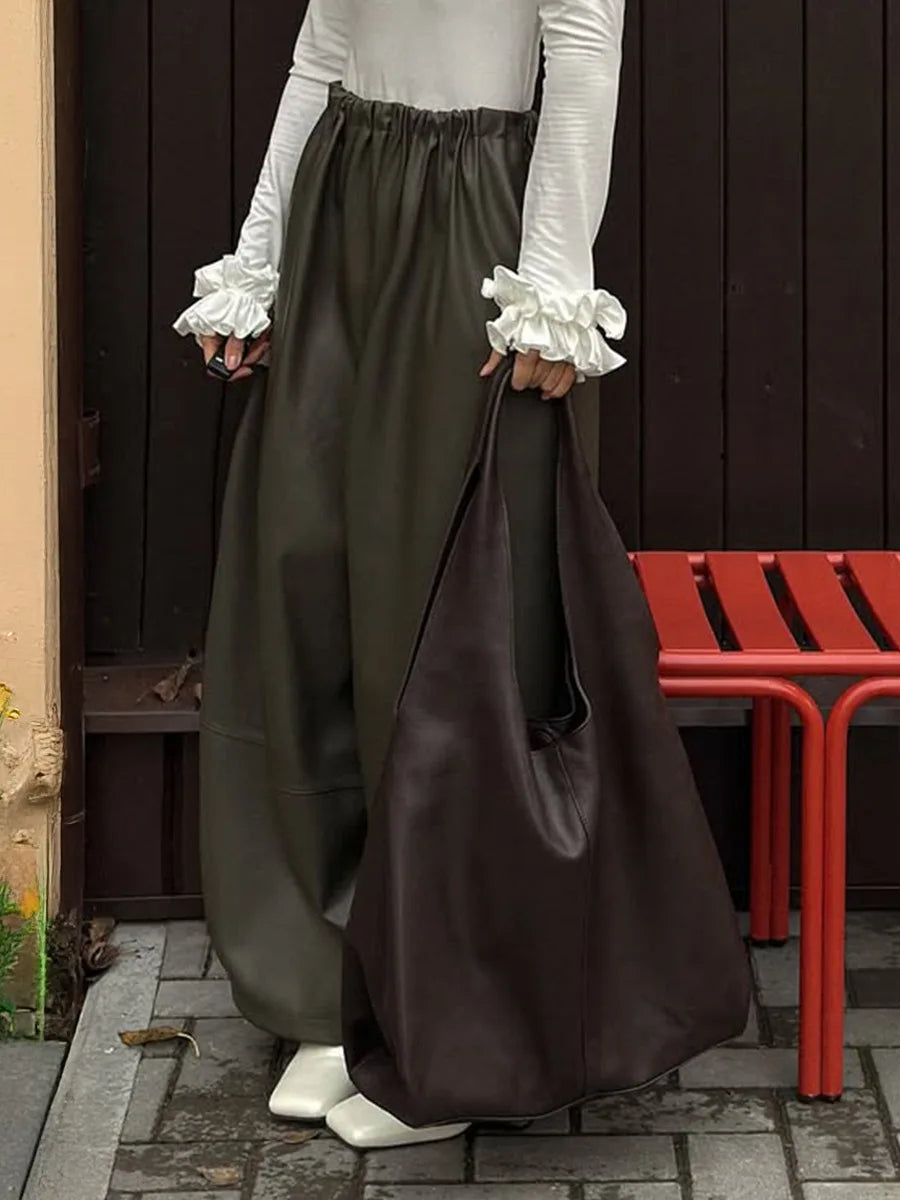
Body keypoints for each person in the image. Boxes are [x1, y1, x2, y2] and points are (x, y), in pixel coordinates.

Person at [171, 0, 627, 1150]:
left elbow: (582, 42)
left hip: (475, 213)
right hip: (345, 195)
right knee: (311, 582)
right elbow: (322, 50)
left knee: (441, 611)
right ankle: (340, 991)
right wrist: (261, 262)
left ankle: (454, 1031)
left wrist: (550, 287)